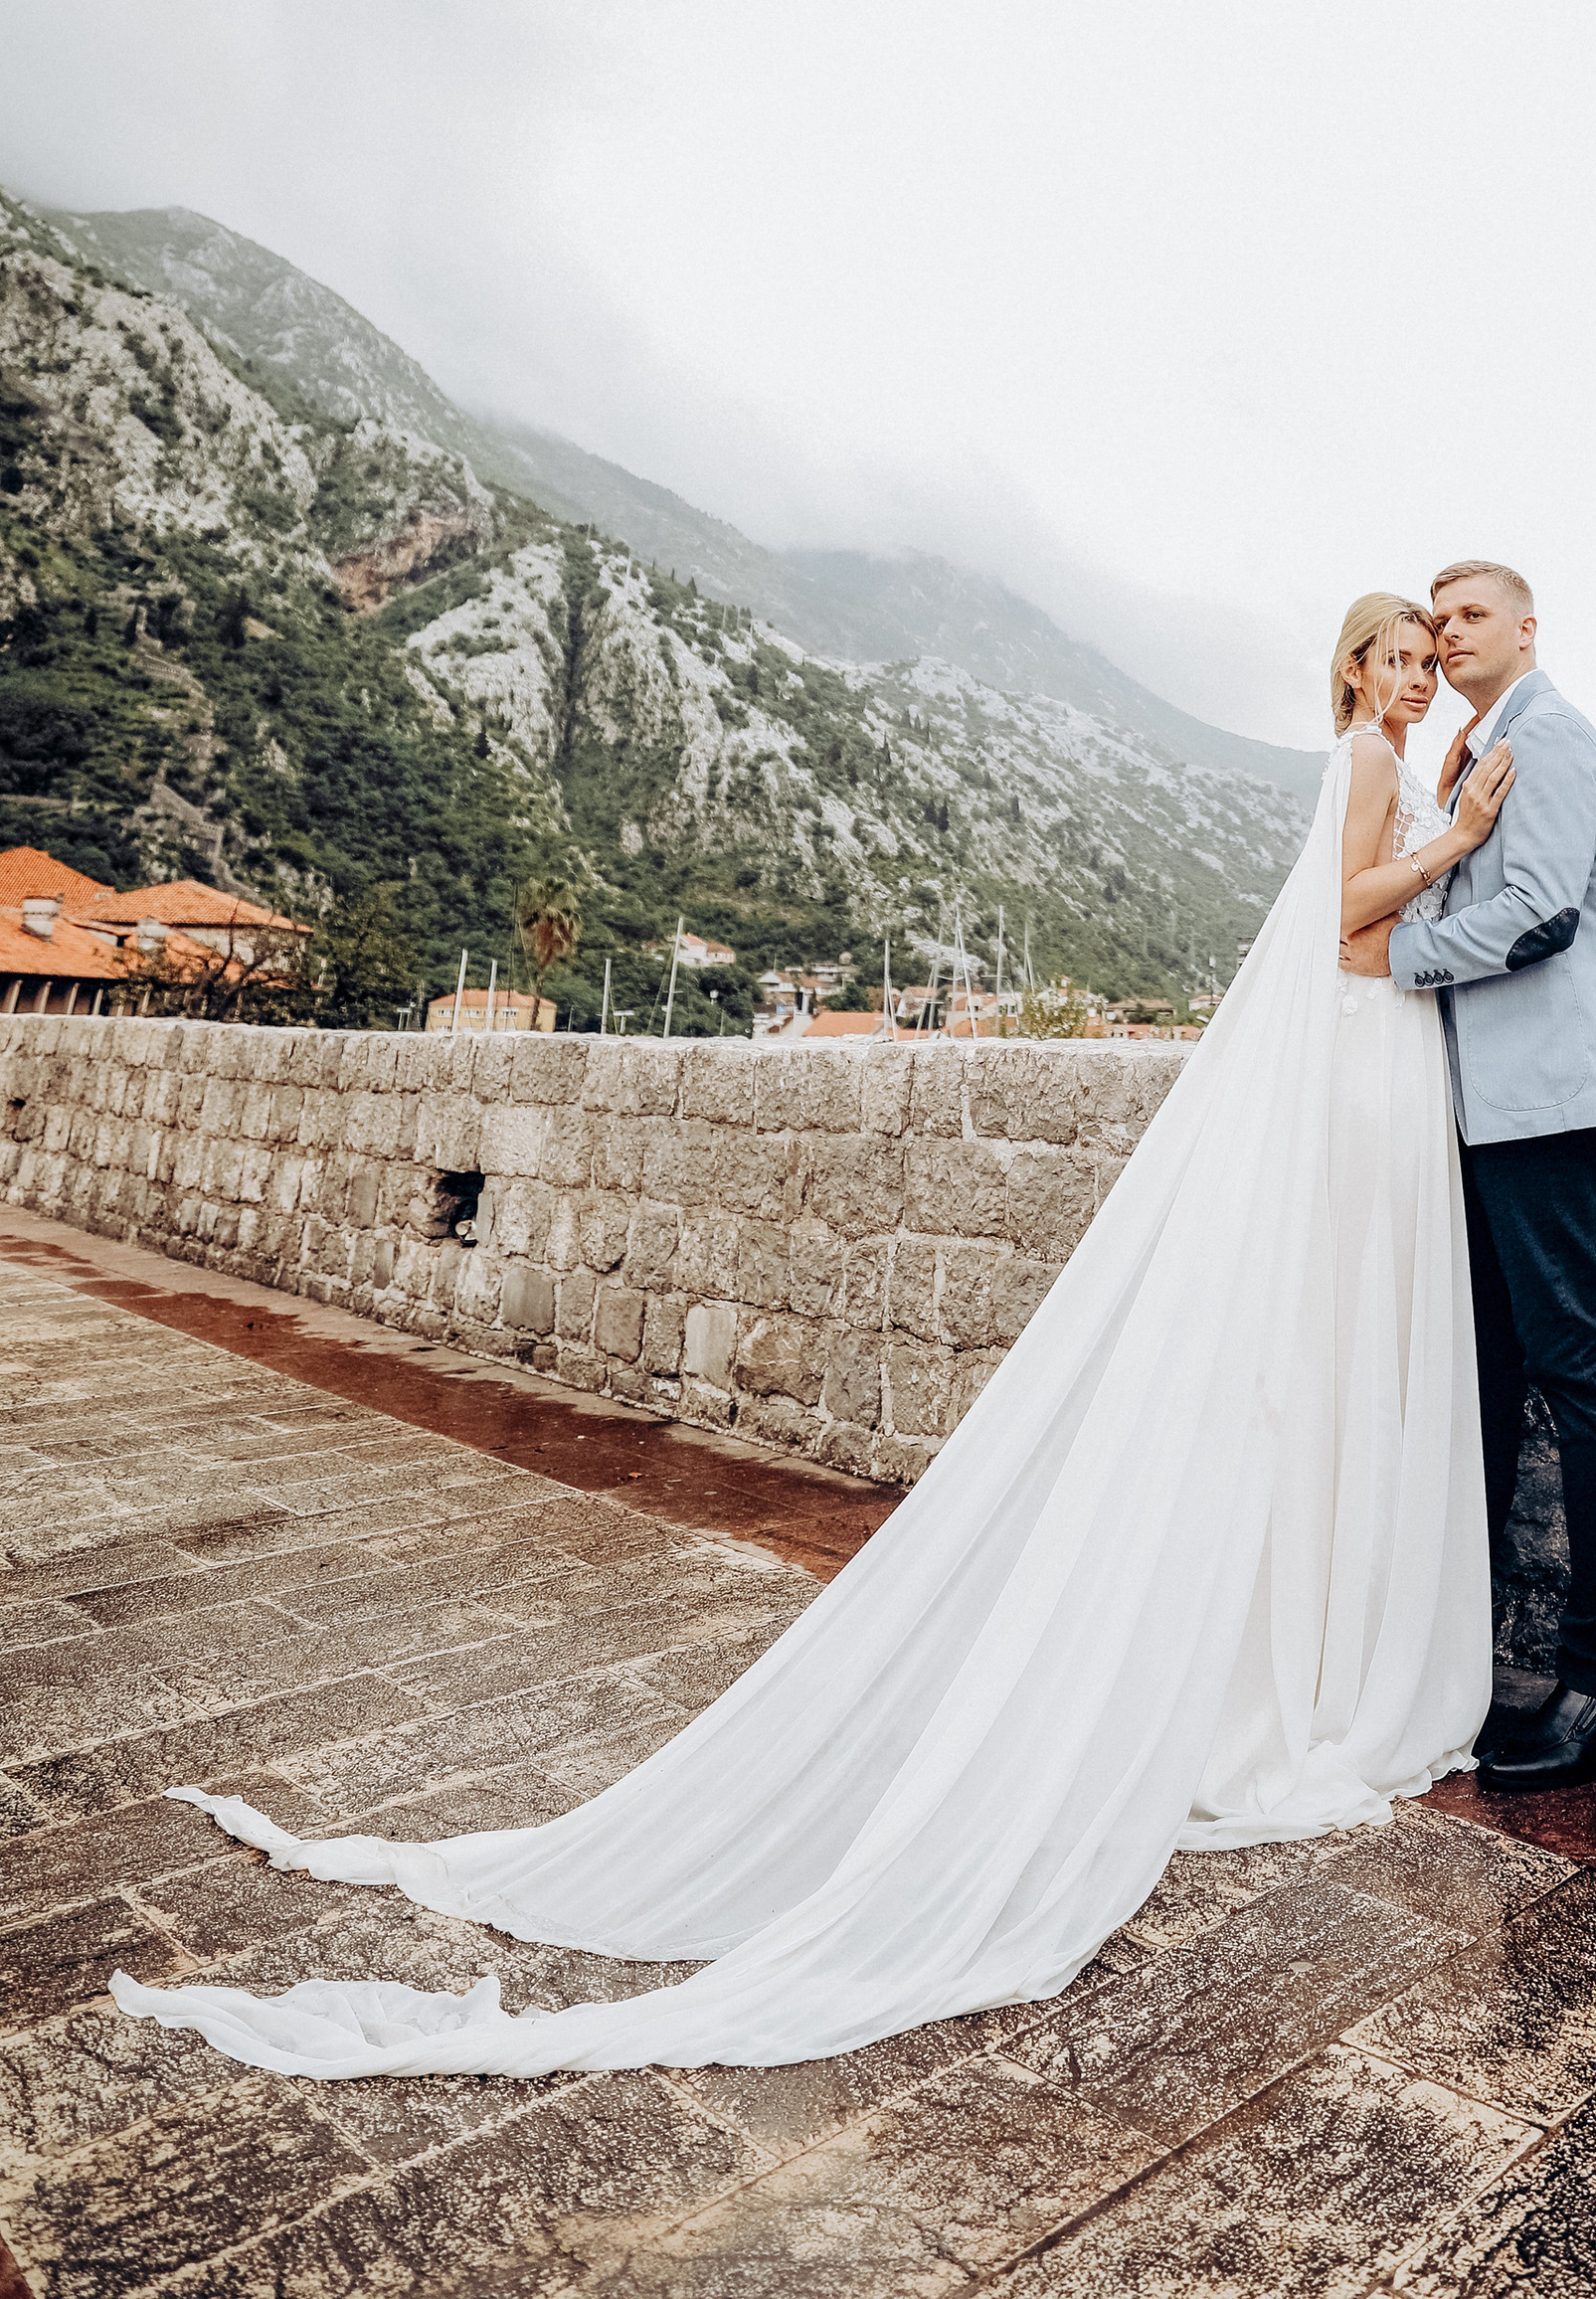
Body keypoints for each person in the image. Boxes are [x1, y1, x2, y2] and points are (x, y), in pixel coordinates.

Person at [112, 593, 1506, 2082]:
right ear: (1357, 671)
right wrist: (1460, 842)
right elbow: (1350, 917)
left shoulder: (1393, 756)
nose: (1418, 679)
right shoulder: (1370, 755)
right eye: (1400, 659)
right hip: (1368, 1047)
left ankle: (1316, 1658)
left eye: (1432, 661)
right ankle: (1310, 1679)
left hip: (1384, 1063)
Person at [1384, 561, 1596, 1791]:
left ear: (1527, 627)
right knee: (1487, 1383)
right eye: (1435, 621)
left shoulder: (1548, 737)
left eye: (1470, 616)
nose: (1446, 635)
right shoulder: (1475, 749)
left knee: (1580, 1376)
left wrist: (1395, 955)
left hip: (1538, 1103)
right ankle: (1469, 1659)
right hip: (1474, 1105)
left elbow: (1542, 913)